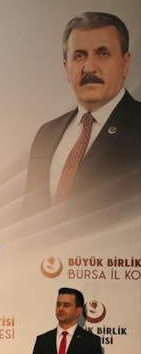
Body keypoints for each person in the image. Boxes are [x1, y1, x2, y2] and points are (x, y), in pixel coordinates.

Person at [24, 12, 141, 216]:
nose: (89, 68)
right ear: (66, 67)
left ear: (125, 63)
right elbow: (28, 219)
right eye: (79, 56)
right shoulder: (46, 134)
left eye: (102, 53)